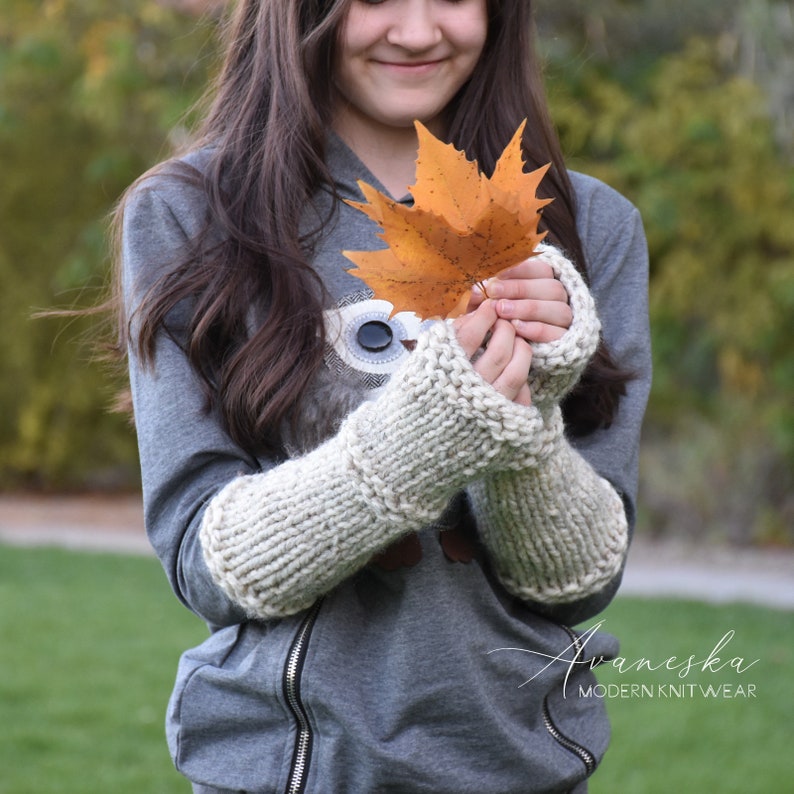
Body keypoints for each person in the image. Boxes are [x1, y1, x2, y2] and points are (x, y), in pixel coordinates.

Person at [117, 0, 651, 791]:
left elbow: (579, 583)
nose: (416, 30)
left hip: (521, 763)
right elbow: (205, 561)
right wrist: (425, 431)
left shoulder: (589, 225)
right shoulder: (189, 215)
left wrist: (526, 408)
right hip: (288, 768)